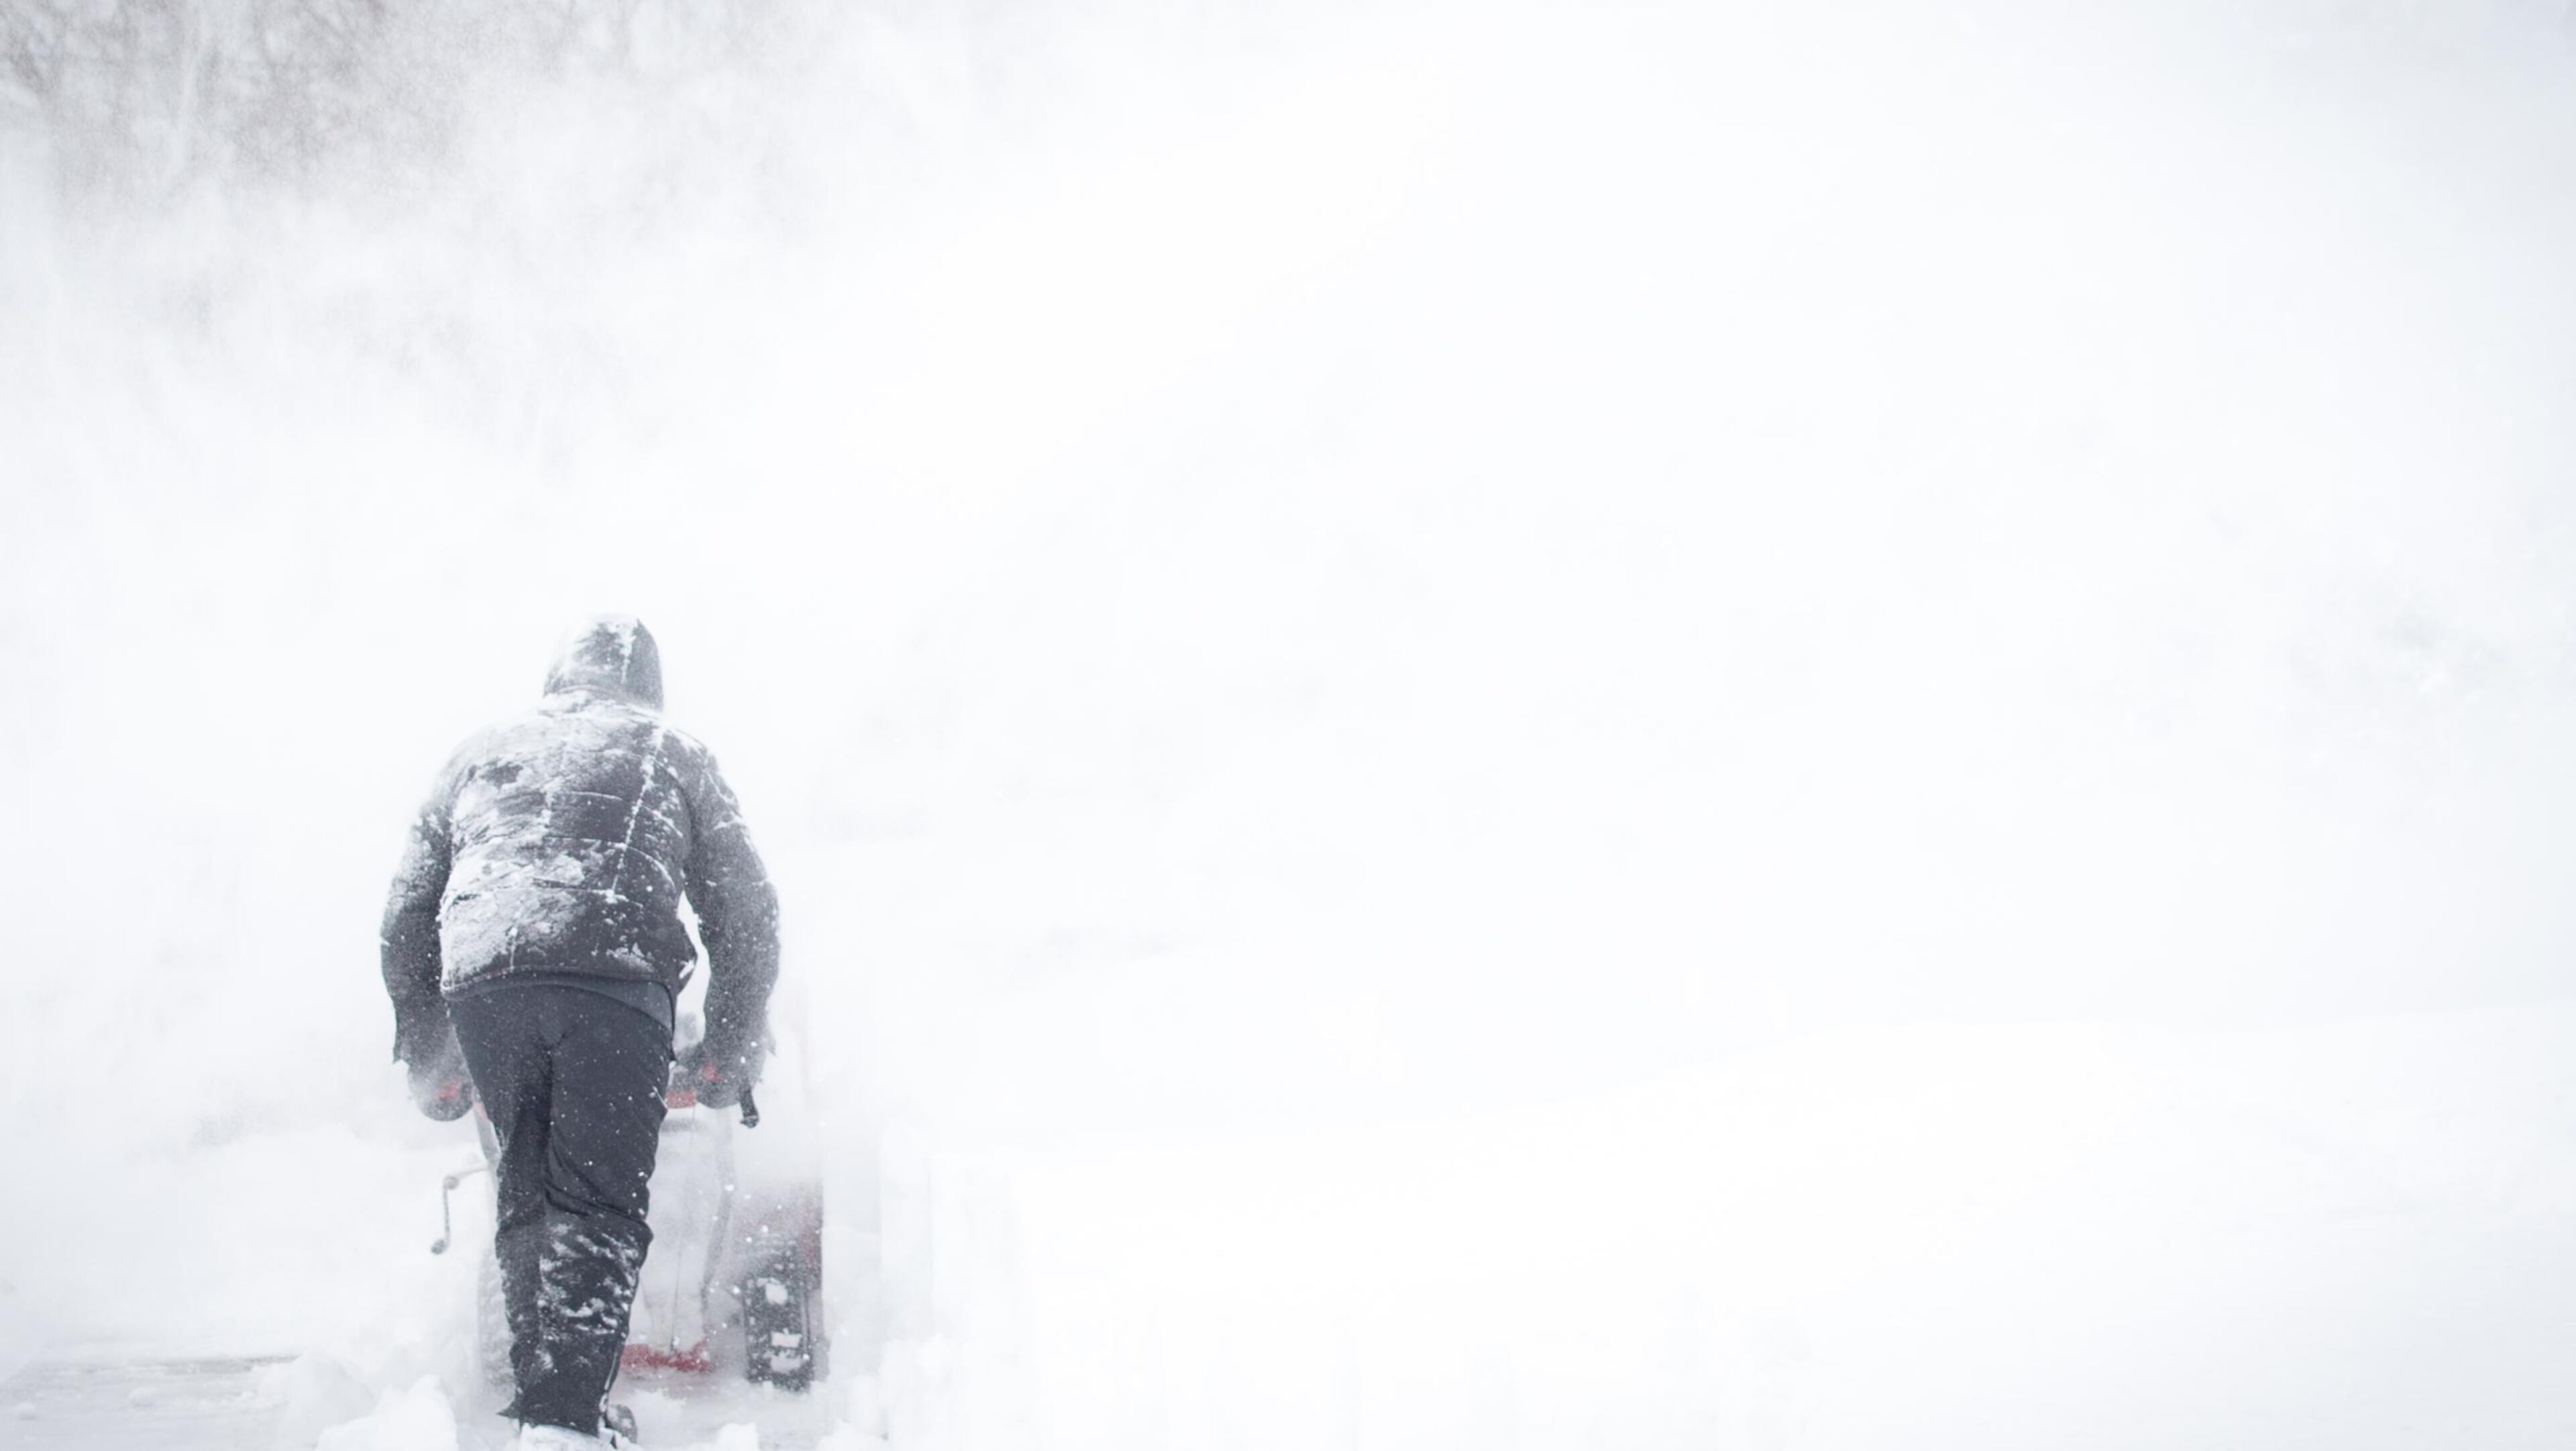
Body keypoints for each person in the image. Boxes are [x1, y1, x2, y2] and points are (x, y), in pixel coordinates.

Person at [381, 616, 780, 1450]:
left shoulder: (481, 750)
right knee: (597, 1208)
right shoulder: (673, 750)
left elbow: (405, 913)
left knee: (527, 1203)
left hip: (484, 979)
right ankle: (564, 1428)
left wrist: (432, 1052)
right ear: (650, 685)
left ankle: (551, 1414)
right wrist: (727, 1053)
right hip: (612, 973)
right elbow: (747, 912)